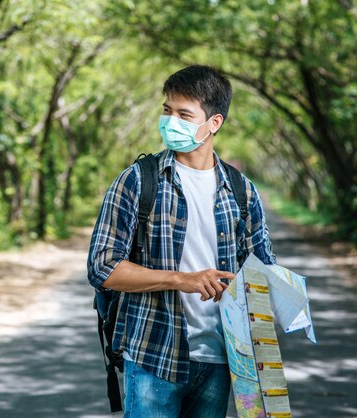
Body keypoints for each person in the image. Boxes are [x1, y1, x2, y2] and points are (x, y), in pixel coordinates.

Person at [87, 65, 276, 418]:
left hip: (220, 358)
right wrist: (182, 279)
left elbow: (262, 272)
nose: (170, 121)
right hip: (152, 355)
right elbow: (102, 267)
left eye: (184, 114)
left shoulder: (241, 191)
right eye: (166, 110)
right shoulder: (137, 181)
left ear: (213, 123)